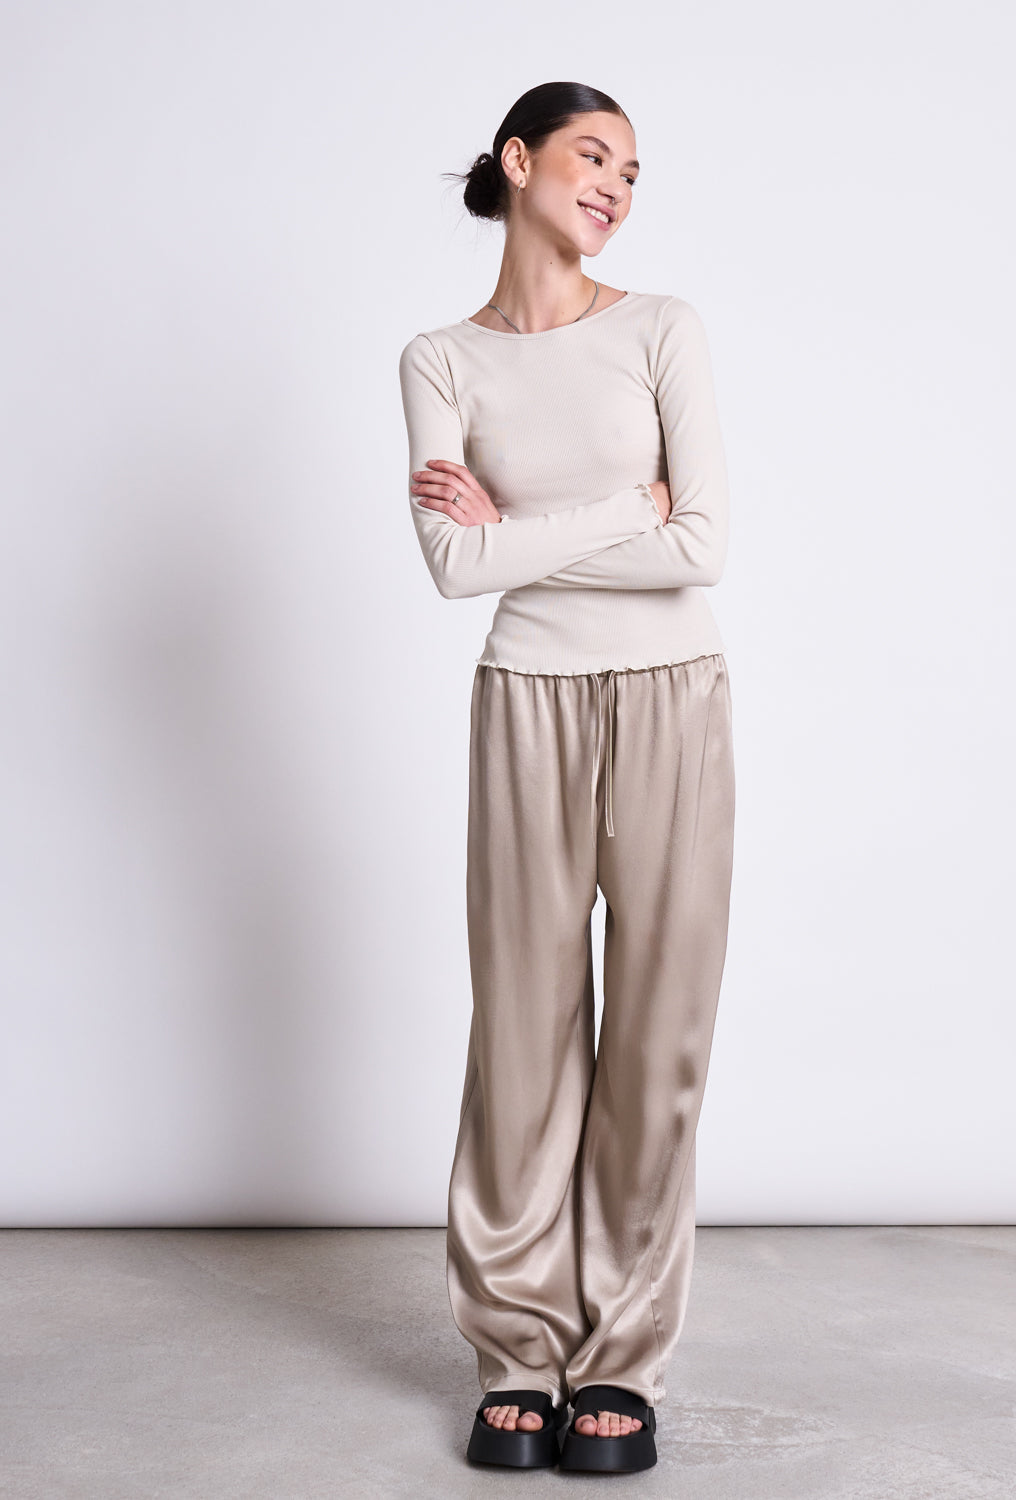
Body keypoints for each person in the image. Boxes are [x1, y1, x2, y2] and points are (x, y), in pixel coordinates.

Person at [398, 80, 735, 1475]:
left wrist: (524, 527)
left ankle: (625, 1358)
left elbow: (701, 545)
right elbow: (452, 569)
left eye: (635, 169)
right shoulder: (439, 359)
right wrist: (619, 509)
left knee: (655, 1032)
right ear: (519, 161)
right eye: (594, 155)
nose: (618, 185)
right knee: (525, 1039)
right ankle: (518, 1350)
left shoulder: (663, 330)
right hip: (523, 701)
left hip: (673, 698)